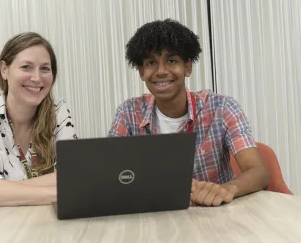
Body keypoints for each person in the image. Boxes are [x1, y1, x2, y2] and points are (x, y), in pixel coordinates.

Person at [108, 19, 269, 206]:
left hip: (215, 217)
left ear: (188, 67)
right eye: (151, 62)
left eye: (171, 61)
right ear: (142, 72)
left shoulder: (222, 108)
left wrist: (225, 189)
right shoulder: (128, 113)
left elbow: (259, 173)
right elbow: (111, 177)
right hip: (154, 218)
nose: (161, 71)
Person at [0, 32, 77, 207]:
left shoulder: (58, 113)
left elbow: (74, 176)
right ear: (4, 70)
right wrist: (64, 191)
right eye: (26, 67)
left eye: (45, 68)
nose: (37, 78)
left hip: (41, 224)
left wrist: (2, 189)